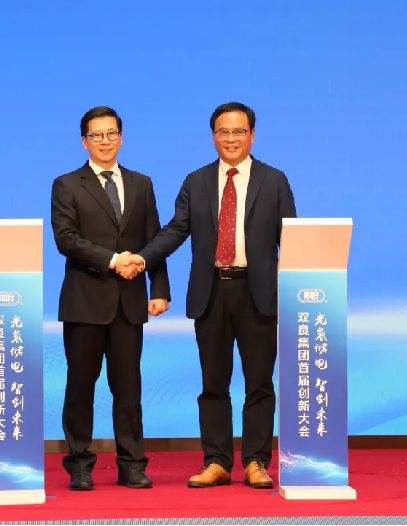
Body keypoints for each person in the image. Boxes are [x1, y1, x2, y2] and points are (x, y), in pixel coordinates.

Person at [122, 102, 296, 489]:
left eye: (238, 131)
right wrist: (143, 258)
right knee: (213, 383)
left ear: (252, 135)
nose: (230, 139)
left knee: (259, 383)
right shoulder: (197, 181)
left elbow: (292, 239)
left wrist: (300, 290)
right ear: (213, 136)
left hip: (258, 293)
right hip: (211, 292)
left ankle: (256, 461)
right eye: (223, 131)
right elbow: (175, 230)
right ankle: (216, 461)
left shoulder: (274, 180)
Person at [51, 106, 170, 491]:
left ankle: (132, 464)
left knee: (129, 389)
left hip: (129, 305)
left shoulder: (141, 183)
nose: (105, 141)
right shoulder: (67, 184)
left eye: (111, 134)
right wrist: (114, 260)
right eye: (97, 135)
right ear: (84, 141)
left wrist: (160, 289)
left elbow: (154, 240)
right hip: (84, 303)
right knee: (80, 388)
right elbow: (66, 239)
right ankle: (79, 464)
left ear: (121, 137)